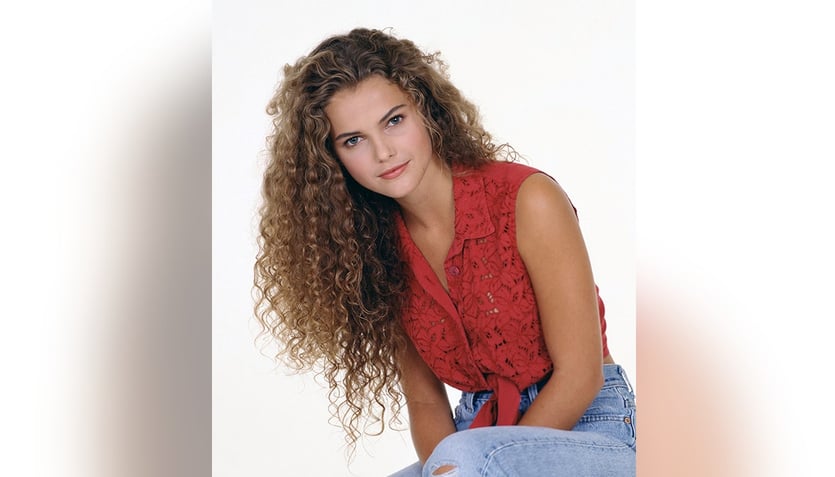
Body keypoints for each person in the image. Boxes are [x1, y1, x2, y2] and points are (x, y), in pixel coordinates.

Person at [254, 27, 636, 476]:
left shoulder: (527, 199)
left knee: (475, 459)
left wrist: (473, 461)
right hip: (472, 436)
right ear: (332, 159)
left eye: (394, 120)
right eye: (353, 140)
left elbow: (580, 377)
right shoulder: (373, 253)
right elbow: (424, 399)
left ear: (426, 110)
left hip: (594, 429)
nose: (383, 152)